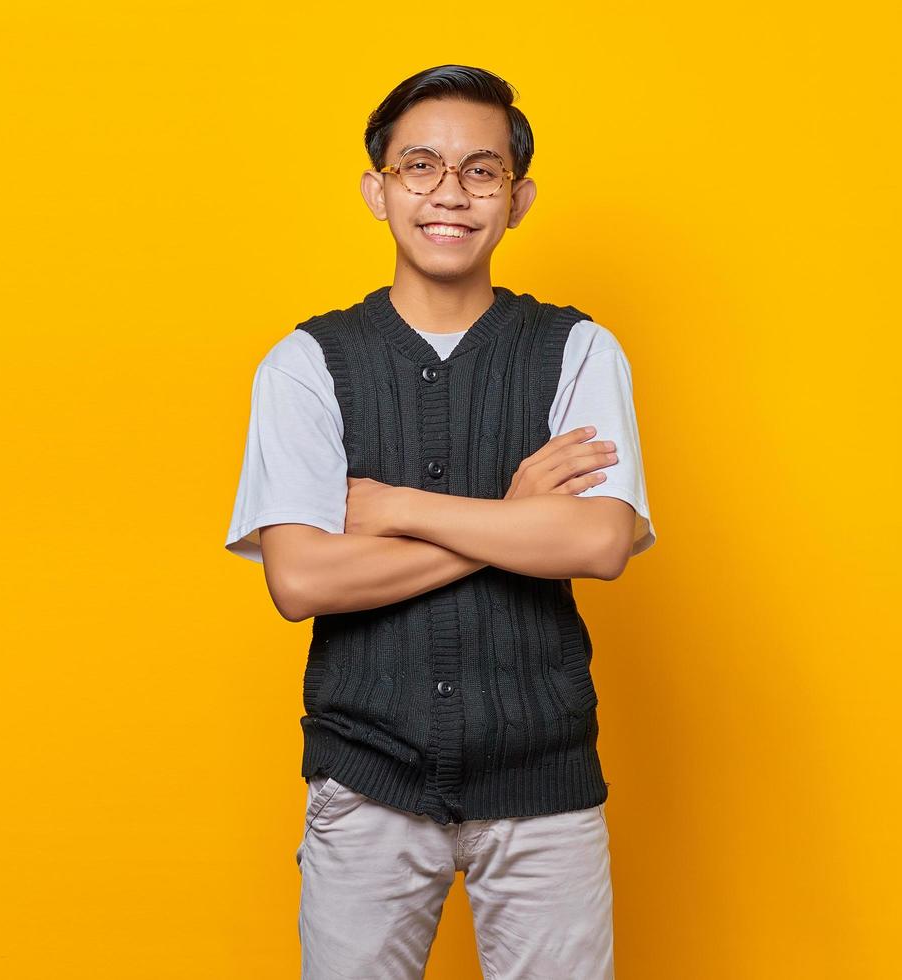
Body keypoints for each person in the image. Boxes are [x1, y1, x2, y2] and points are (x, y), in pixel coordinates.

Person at [225, 64, 656, 979]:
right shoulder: (306, 365)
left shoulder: (577, 350)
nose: (449, 194)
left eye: (481, 171)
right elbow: (301, 582)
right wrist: (511, 520)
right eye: (420, 167)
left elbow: (597, 541)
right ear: (377, 191)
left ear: (519, 198)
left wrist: (395, 510)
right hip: (365, 786)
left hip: (546, 791)